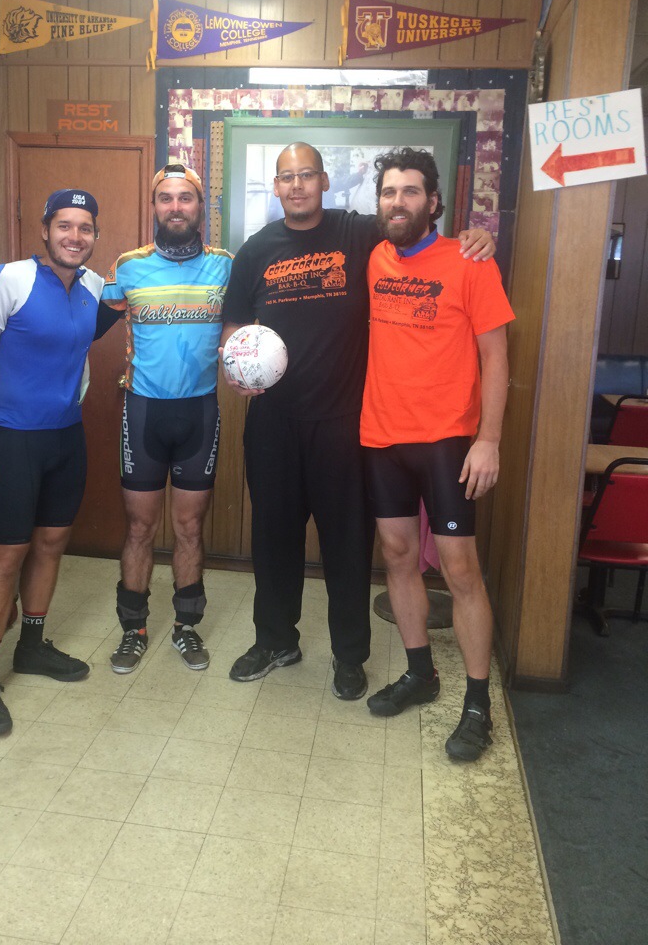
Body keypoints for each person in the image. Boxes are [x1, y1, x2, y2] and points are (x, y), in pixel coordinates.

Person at [220, 142, 495, 701]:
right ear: (276, 187)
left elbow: (413, 228)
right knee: (273, 539)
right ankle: (275, 641)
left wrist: (480, 235)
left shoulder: (356, 232)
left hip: (345, 423)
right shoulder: (255, 250)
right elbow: (233, 325)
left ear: (325, 181)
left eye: (307, 175)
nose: (297, 185)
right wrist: (236, 365)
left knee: (347, 546)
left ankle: (350, 656)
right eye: (286, 177)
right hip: (273, 422)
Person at [361, 148, 514, 760]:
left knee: (460, 572)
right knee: (398, 558)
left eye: (410, 191)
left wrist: (489, 439)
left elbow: (496, 357)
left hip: (448, 440)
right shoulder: (374, 255)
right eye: (388, 192)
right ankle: (421, 672)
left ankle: (477, 705)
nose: (397, 201)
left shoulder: (470, 261)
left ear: (433, 201)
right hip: (381, 436)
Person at [0, 189, 105, 736]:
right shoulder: (11, 279)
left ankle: (32, 647)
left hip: (66, 438)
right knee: (5, 557)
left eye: (85, 227)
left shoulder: (94, 288)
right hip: (11, 437)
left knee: (50, 544)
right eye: (64, 225)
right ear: (45, 230)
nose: (74, 236)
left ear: (95, 236)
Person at [98, 164, 233, 675]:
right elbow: (83, 323)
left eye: (185, 198)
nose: (175, 207)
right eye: (166, 198)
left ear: (200, 207)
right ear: (154, 207)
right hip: (144, 413)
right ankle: (132, 630)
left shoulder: (226, 266)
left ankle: (186, 626)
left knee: (189, 527)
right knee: (139, 527)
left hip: (200, 412)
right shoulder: (128, 267)